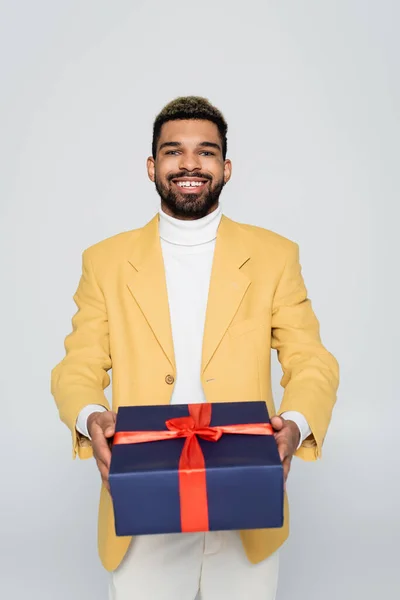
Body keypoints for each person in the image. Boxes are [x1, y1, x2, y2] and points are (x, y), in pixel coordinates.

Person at [51, 96, 339, 600]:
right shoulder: (105, 262)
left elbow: (311, 360)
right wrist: (90, 415)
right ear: (151, 167)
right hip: (143, 499)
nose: (189, 164)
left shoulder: (275, 256)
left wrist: (296, 424)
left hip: (246, 497)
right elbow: (78, 363)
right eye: (173, 152)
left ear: (225, 167)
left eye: (205, 152)